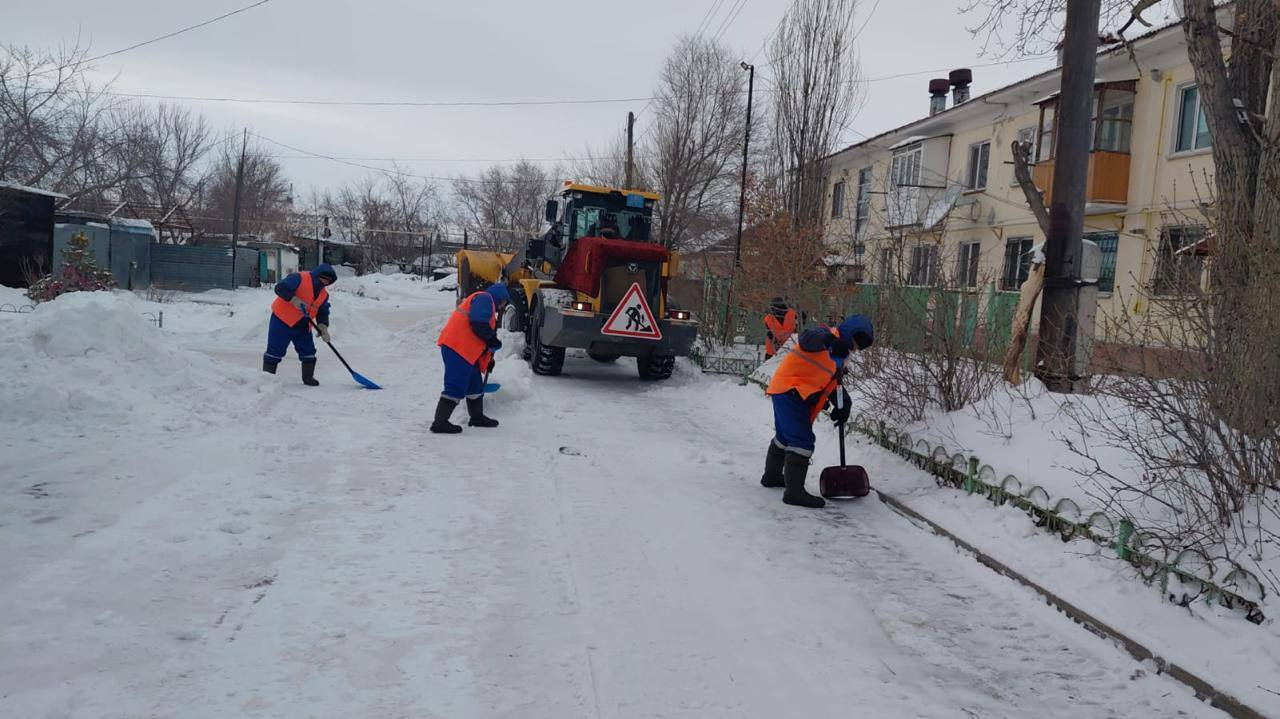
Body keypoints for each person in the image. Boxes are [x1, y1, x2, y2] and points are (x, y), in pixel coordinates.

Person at [761, 314, 875, 508]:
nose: (855, 348)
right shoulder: (825, 334)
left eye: (859, 346)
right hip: (791, 390)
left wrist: (843, 404)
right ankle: (794, 493)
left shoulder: (841, 357)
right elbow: (807, 338)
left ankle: (771, 476)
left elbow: (832, 382)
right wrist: (830, 341)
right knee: (802, 441)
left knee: (784, 437)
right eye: (856, 341)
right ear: (850, 333)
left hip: (791, 391)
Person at [433, 282, 510, 434]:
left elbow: (481, 336)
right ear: (499, 298)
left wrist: (489, 359)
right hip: (457, 347)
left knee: (474, 383)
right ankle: (440, 422)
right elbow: (478, 324)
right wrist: (491, 339)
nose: (502, 306)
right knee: (456, 384)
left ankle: (477, 417)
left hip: (466, 350)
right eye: (503, 302)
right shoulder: (485, 298)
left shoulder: (487, 304)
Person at [263, 263, 338, 386]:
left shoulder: (324, 294)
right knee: (275, 349)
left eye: (328, 281)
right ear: (317, 275)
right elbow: (280, 288)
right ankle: (267, 378)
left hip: (303, 324)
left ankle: (308, 378)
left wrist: (323, 326)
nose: (325, 282)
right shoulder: (299, 278)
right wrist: (293, 299)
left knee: (308, 351)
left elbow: (323, 310)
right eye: (323, 278)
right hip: (282, 320)